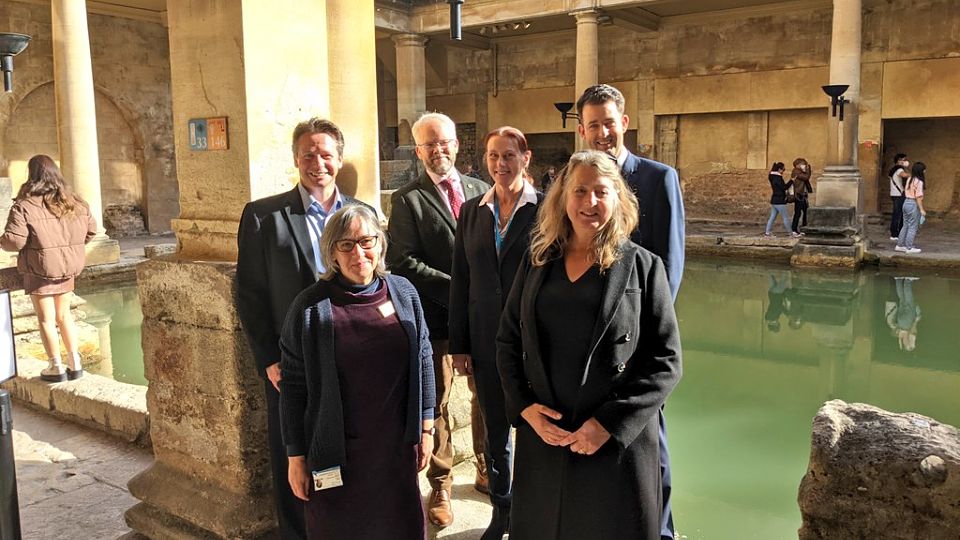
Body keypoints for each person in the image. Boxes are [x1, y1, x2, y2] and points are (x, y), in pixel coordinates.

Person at [496, 150, 682, 540]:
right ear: (563, 199)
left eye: (601, 191)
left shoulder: (645, 267)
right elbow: (508, 340)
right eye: (579, 191)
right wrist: (526, 409)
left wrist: (608, 425)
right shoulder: (537, 262)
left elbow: (666, 362)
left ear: (618, 199)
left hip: (614, 447)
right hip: (547, 438)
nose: (590, 202)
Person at [236, 118, 371, 539]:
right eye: (309, 154)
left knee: (351, 449)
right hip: (290, 365)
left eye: (326, 154)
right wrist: (268, 361)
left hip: (351, 359)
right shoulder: (264, 217)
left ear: (339, 159)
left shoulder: (361, 215)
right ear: (296, 158)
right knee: (292, 456)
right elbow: (251, 296)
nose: (318, 163)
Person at [279, 205, 436, 539]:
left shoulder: (404, 292)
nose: (358, 253)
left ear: (380, 244)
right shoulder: (309, 308)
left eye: (367, 241)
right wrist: (295, 457)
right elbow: (293, 388)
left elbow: (424, 355)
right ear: (332, 253)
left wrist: (427, 427)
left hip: (395, 450)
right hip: (337, 452)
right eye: (346, 245)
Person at [576, 83, 684, 540]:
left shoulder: (659, 178)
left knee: (649, 438)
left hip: (638, 338)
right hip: (589, 342)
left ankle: (661, 529)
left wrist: (645, 332)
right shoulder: (574, 180)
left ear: (624, 122)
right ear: (582, 130)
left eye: (609, 121)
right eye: (593, 124)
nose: (602, 132)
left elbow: (671, 267)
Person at [386, 111, 490, 528]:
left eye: (443, 141)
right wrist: (458, 291)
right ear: (418, 150)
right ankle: (442, 483)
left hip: (483, 319)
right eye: (429, 144)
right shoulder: (407, 199)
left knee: (489, 394)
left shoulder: (481, 190)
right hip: (438, 319)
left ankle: (487, 466)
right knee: (439, 399)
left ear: (456, 144)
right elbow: (402, 262)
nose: (438, 149)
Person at [449, 126, 542, 539]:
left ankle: (533, 512)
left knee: (536, 430)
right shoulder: (472, 211)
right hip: (486, 341)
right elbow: (461, 280)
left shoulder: (546, 210)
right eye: (493, 156)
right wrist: (460, 345)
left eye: (509, 155)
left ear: (526, 158)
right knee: (496, 430)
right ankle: (501, 511)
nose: (501, 164)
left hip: (535, 344)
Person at [1, 155, 96, 382]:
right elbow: (91, 231)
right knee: (64, 316)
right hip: (66, 268)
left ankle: (56, 367)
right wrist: (67, 251)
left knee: (46, 319)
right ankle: (75, 363)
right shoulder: (75, 203)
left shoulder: (24, 206)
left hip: (40, 270)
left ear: (31, 175)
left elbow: (14, 242)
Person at [895, 161, 926, 254]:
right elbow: (918, 197)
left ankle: (899, 245)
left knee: (905, 225)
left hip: (906, 202)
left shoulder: (910, 179)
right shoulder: (919, 182)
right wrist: (922, 209)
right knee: (913, 226)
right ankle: (909, 247)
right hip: (913, 204)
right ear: (920, 171)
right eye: (924, 170)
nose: (925, 172)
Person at [765, 162, 797, 238]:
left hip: (774, 200)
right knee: (785, 217)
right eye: (783, 169)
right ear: (779, 169)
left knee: (772, 217)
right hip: (779, 200)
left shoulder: (772, 176)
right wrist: (791, 181)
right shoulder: (778, 178)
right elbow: (784, 187)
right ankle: (790, 233)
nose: (783, 171)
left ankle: (767, 232)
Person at [888, 153, 910, 241]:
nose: (905, 162)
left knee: (898, 214)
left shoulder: (894, 169)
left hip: (894, 194)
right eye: (903, 160)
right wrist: (915, 175)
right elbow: (904, 175)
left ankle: (897, 232)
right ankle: (895, 234)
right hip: (898, 194)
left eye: (904, 160)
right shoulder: (899, 169)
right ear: (898, 161)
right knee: (898, 214)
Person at [789, 158, 814, 234]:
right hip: (798, 195)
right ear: (797, 165)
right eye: (803, 164)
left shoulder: (802, 172)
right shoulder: (796, 172)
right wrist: (808, 169)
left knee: (806, 212)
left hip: (803, 195)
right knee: (798, 212)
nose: (804, 166)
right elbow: (806, 177)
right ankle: (794, 229)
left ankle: (804, 227)